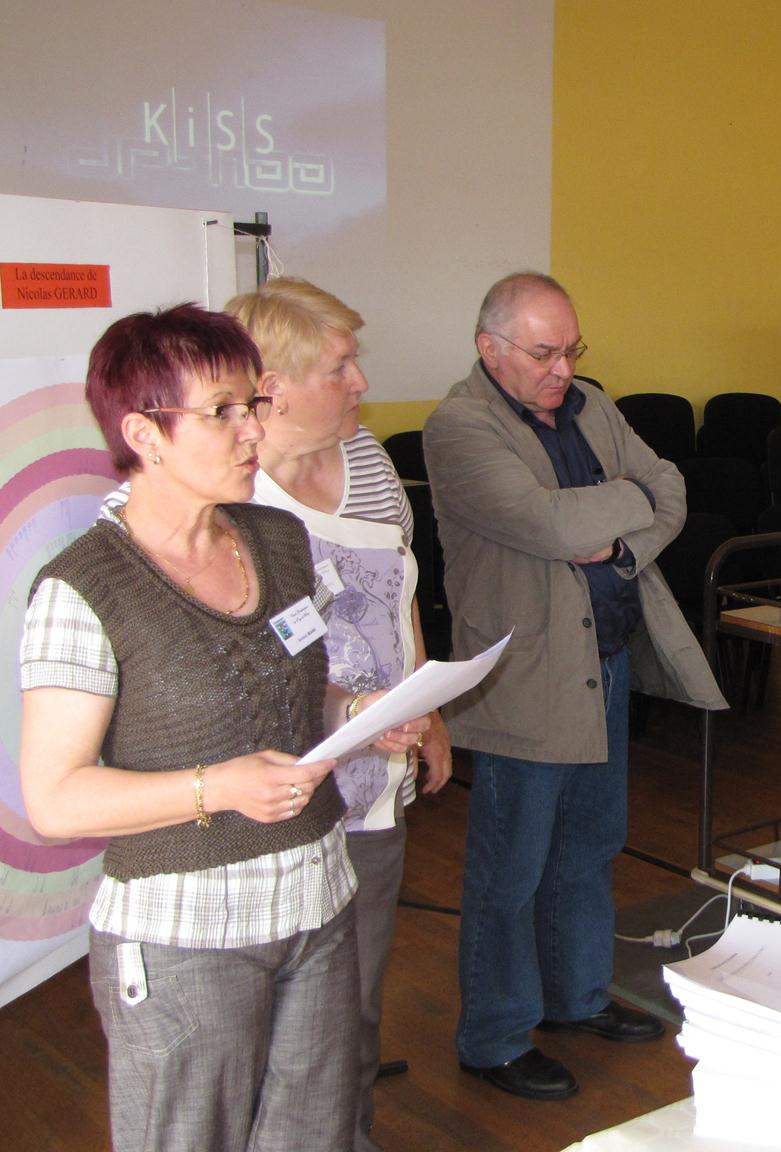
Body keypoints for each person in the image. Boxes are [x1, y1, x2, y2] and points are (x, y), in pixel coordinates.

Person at [18, 305, 425, 1152]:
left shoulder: (277, 540)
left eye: (254, 404)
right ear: (145, 433)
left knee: (313, 1136)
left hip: (317, 903)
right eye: (223, 411)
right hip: (185, 935)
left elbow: (295, 691)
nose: (253, 430)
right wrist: (219, 786)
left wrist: (359, 715)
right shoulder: (82, 589)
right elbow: (55, 799)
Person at [424, 271, 725, 1101]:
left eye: (572, 349)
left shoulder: (592, 406)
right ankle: (494, 1038)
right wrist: (625, 499)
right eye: (543, 353)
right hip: (525, 674)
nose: (563, 368)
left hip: (605, 658)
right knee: (511, 868)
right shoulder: (459, 426)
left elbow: (671, 488)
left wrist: (620, 540)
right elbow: (549, 525)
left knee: (590, 847)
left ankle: (576, 997)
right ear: (490, 349)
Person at [228, 277, 453, 1149]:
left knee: (355, 1004)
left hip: (372, 783)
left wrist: (429, 707)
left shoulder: (367, 461)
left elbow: (399, 593)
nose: (361, 382)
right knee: (271, 1025)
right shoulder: (230, 492)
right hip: (270, 801)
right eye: (340, 367)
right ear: (273, 388)